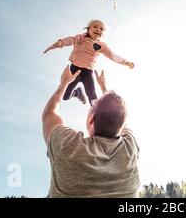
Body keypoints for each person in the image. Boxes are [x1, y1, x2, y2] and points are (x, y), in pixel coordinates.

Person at [42, 65, 140, 197]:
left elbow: (49, 113)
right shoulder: (130, 149)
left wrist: (64, 83)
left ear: (91, 119)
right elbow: (118, 117)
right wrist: (105, 92)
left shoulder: (68, 147)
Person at [43, 19, 135, 105]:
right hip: (75, 69)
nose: (98, 29)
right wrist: (60, 43)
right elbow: (71, 40)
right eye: (95, 26)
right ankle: (77, 92)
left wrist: (125, 62)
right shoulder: (81, 38)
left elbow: (112, 56)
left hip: (88, 72)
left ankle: (96, 112)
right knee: (64, 96)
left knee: (92, 95)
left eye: (101, 29)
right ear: (88, 29)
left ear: (103, 33)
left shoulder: (101, 46)